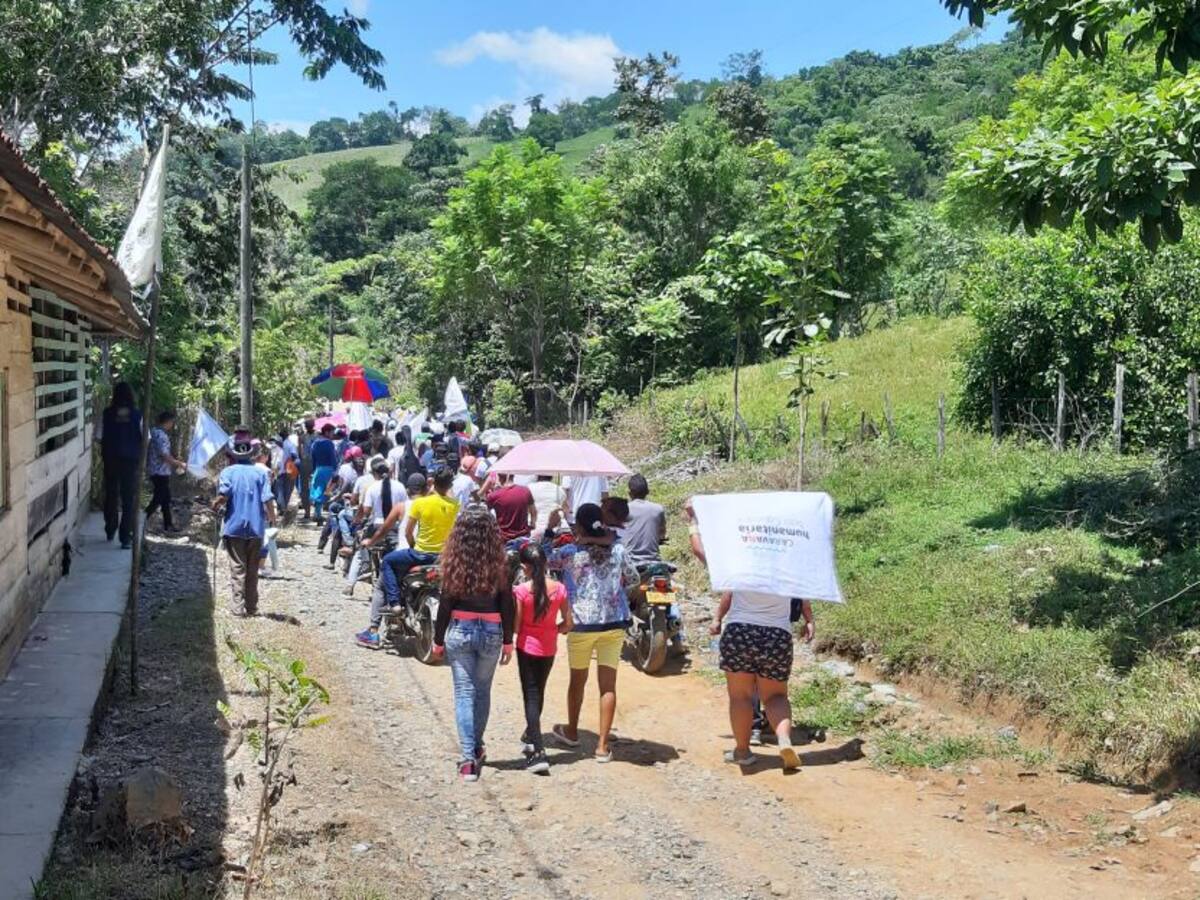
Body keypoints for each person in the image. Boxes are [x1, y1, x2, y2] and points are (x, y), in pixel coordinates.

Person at [684, 498, 809, 770]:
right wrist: (810, 621)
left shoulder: (739, 561)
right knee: (775, 697)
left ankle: (742, 751)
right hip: (777, 636)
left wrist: (693, 520)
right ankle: (784, 739)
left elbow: (699, 551)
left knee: (740, 697)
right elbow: (805, 592)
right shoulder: (790, 562)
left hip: (740, 632)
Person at [431, 507, 515, 783]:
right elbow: (507, 603)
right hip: (491, 630)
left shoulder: (455, 560)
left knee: (464, 694)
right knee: (482, 691)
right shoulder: (501, 561)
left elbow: (446, 603)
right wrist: (508, 640)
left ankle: (468, 760)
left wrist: (438, 639)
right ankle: (476, 745)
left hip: (460, 629)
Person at [549, 503, 638, 762]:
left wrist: (552, 526)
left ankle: (572, 732)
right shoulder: (618, 550)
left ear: (579, 525)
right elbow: (632, 579)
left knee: (577, 680)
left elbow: (539, 555)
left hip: (581, 624)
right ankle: (601, 747)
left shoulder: (568, 552)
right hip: (614, 624)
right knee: (608, 685)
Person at [356, 467, 458, 649]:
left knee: (386, 564)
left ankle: (387, 613)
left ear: (432, 483)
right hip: (441, 557)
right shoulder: (454, 505)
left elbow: (408, 532)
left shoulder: (419, 504)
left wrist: (412, 547)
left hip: (418, 554)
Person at [513, 542, 572, 774]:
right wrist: (553, 631)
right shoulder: (559, 589)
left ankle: (538, 750)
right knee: (540, 690)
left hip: (526, 646)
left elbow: (516, 625)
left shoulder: (521, 591)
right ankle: (531, 733)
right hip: (549, 647)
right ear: (546, 563)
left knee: (530, 695)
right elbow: (569, 623)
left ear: (524, 567)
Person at [212, 432, 276, 617]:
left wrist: (215, 504)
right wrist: (272, 518)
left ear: (232, 454)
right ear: (252, 453)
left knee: (237, 568)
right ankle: (252, 607)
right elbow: (267, 498)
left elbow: (224, 496)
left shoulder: (227, 472)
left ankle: (238, 607)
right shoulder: (260, 473)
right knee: (252, 568)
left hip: (235, 526)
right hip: (256, 527)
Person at [100, 382, 142, 548]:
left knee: (111, 494)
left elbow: (98, 435)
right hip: (130, 461)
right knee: (128, 498)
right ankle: (125, 537)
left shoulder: (106, 414)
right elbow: (147, 438)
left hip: (110, 459)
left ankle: (110, 528)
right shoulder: (138, 415)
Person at [145, 410, 186, 533]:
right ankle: (142, 519)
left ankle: (168, 524)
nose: (172, 425)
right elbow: (164, 455)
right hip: (159, 471)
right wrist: (180, 464)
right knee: (158, 498)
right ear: (168, 422)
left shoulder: (155, 432)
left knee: (165, 499)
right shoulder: (160, 435)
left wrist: (174, 461)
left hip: (158, 469)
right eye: (172, 422)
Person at [485, 473, 536, 543]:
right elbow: (533, 512)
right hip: (523, 537)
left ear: (499, 478)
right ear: (513, 476)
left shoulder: (494, 496)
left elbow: (485, 514)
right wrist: (532, 525)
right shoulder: (525, 491)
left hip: (504, 539)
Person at [309, 423, 338, 524]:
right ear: (326, 432)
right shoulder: (329, 443)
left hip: (318, 469)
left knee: (318, 490)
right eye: (332, 432)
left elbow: (312, 458)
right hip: (328, 469)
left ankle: (317, 513)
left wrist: (313, 470)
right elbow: (332, 457)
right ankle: (329, 515)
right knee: (328, 491)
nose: (333, 435)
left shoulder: (315, 443)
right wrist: (335, 470)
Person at [296, 420, 315, 521]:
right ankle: (317, 511)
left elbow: (299, 451)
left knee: (304, 488)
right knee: (315, 485)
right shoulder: (317, 436)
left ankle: (307, 512)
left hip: (305, 462)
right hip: (315, 462)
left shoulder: (302, 437)